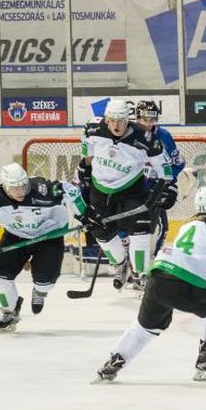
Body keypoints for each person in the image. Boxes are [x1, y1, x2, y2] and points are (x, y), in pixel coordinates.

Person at [95, 186, 206, 382]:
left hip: (158, 278)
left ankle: (113, 362)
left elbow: (201, 262)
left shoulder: (187, 226)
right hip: (184, 283)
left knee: (145, 327)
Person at [0, 163, 101, 332]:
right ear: (5, 187)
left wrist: (84, 213)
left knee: (44, 283)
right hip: (16, 236)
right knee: (0, 278)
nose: (21, 192)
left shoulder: (43, 190)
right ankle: (10, 312)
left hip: (49, 235)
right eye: (15, 188)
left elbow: (69, 189)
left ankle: (40, 291)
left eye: (24, 186)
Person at [79, 99, 174, 291]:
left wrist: (163, 190)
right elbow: (87, 156)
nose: (116, 125)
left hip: (132, 191)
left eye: (121, 120)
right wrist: (85, 173)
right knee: (101, 234)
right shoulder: (91, 129)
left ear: (127, 120)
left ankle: (141, 274)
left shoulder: (145, 138)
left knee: (140, 233)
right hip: (100, 191)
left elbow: (165, 170)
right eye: (112, 120)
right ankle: (121, 264)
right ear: (106, 119)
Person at [131, 99, 185, 262]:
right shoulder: (127, 135)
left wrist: (169, 184)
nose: (149, 124)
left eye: (152, 119)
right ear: (137, 118)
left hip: (154, 190)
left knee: (160, 227)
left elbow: (178, 163)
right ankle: (128, 263)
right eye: (145, 119)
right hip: (130, 190)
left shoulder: (164, 137)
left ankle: (150, 264)